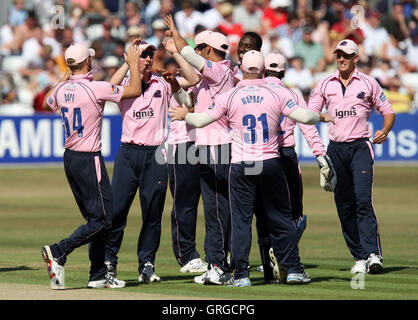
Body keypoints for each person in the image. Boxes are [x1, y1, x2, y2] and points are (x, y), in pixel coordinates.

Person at [169, 50, 335, 287]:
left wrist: (185, 115)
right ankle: (295, 270)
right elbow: (304, 117)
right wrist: (322, 116)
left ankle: (242, 275)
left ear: (242, 68)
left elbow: (200, 120)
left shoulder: (230, 95)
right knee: (281, 218)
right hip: (270, 162)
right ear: (264, 71)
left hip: (242, 165)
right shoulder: (276, 93)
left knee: (241, 222)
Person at [40, 42, 142, 289]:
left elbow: (46, 102)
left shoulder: (64, 89)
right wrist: (134, 64)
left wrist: (67, 77)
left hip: (71, 159)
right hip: (89, 159)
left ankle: (97, 274)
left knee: (94, 218)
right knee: (103, 221)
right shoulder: (95, 88)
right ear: (87, 62)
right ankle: (58, 251)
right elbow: (135, 90)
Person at [104, 39, 197, 284]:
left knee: (153, 213)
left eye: (150, 54)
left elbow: (192, 83)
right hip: (128, 153)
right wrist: (128, 64)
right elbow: (106, 90)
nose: (147, 58)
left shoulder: (162, 83)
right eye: (143, 54)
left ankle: (147, 264)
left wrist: (175, 62)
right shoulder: (125, 84)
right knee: (117, 212)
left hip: (156, 154)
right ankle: (109, 262)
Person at [308, 39, 396, 274]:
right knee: (344, 204)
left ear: (356, 58)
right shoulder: (325, 83)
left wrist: (385, 131)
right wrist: (321, 118)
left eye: (346, 55)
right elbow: (310, 113)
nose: (341, 59)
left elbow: (388, 112)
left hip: (360, 148)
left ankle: (373, 255)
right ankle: (358, 256)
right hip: (336, 149)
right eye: (338, 55)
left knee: (363, 200)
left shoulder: (368, 83)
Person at [164, 14, 234, 285]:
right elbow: (188, 101)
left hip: (215, 146)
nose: (196, 53)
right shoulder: (214, 77)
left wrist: (177, 36)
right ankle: (223, 261)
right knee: (221, 208)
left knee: (216, 209)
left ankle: (216, 265)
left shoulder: (217, 71)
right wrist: (176, 90)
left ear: (207, 51)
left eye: (199, 50)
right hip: (212, 146)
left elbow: (188, 56)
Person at [259, 52, 335, 282]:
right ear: (283, 72)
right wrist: (321, 156)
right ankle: (287, 260)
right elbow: (308, 126)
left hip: (259, 156)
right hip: (286, 155)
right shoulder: (291, 93)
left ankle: (268, 266)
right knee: (294, 214)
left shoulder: (253, 92)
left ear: (264, 71)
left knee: (263, 213)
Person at [162, 31, 207, 273]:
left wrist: (178, 52)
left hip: (204, 144)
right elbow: (189, 80)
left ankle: (216, 253)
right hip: (182, 146)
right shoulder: (171, 81)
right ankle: (187, 255)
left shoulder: (207, 79)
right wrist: (177, 53)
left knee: (211, 202)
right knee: (185, 203)